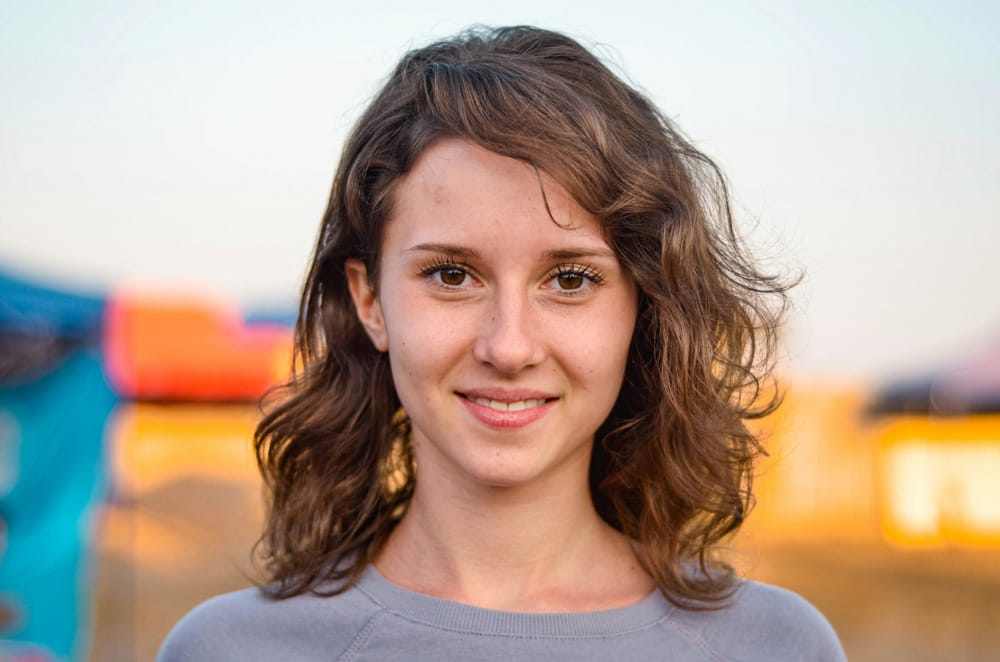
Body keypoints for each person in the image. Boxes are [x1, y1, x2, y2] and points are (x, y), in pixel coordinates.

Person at [159, 25, 846, 661]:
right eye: (452, 275)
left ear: (644, 304)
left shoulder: (774, 647)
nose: (510, 346)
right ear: (370, 301)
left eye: (571, 279)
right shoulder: (228, 649)